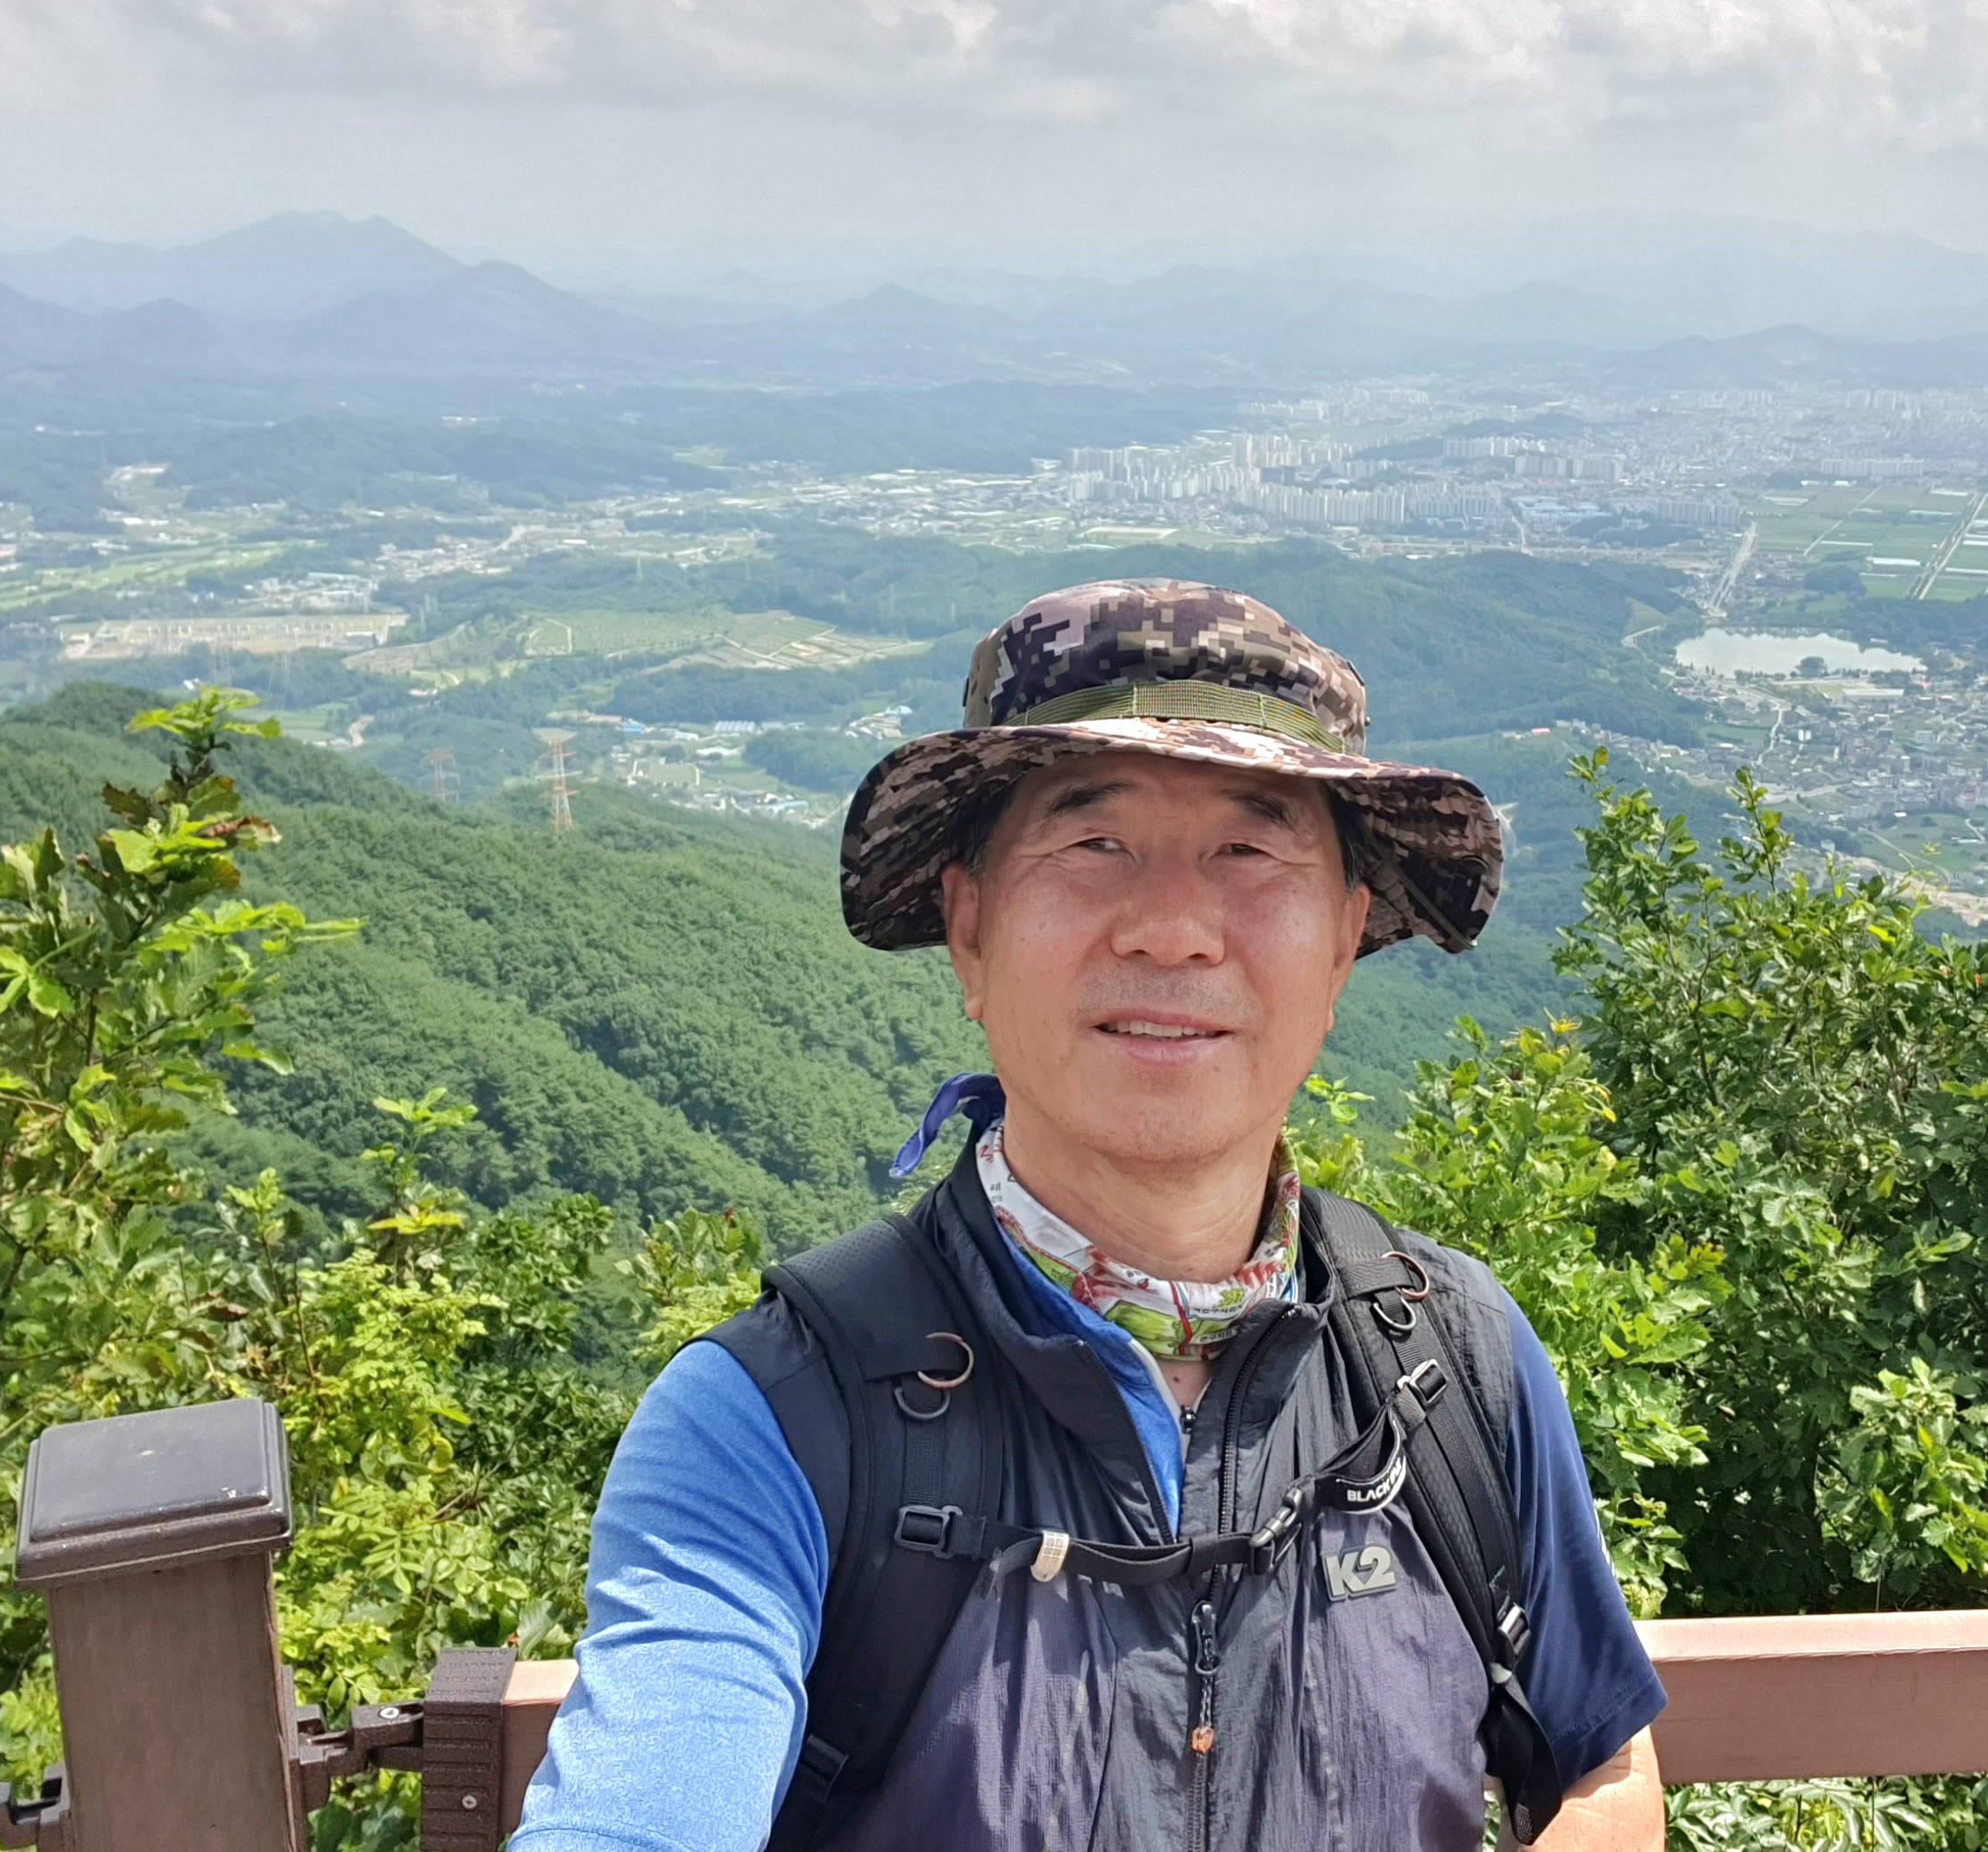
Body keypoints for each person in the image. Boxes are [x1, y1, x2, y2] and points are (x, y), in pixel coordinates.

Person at [510, 581, 1668, 1851]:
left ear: (1342, 943)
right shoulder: (782, 1417)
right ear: (970, 929)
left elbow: (1603, 1762)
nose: (1172, 929)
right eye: (1094, 843)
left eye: (1251, 850)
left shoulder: (1448, 1360)